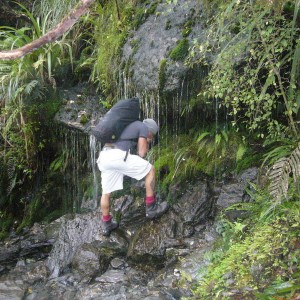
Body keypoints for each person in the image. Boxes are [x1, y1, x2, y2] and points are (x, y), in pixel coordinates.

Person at [97, 118, 169, 236]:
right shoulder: (143, 128)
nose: (151, 137)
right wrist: (147, 140)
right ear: (150, 130)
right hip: (117, 156)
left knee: (106, 192)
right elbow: (142, 152)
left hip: (104, 156)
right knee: (150, 170)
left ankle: (107, 224)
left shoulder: (128, 126)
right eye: (152, 134)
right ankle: (151, 209)